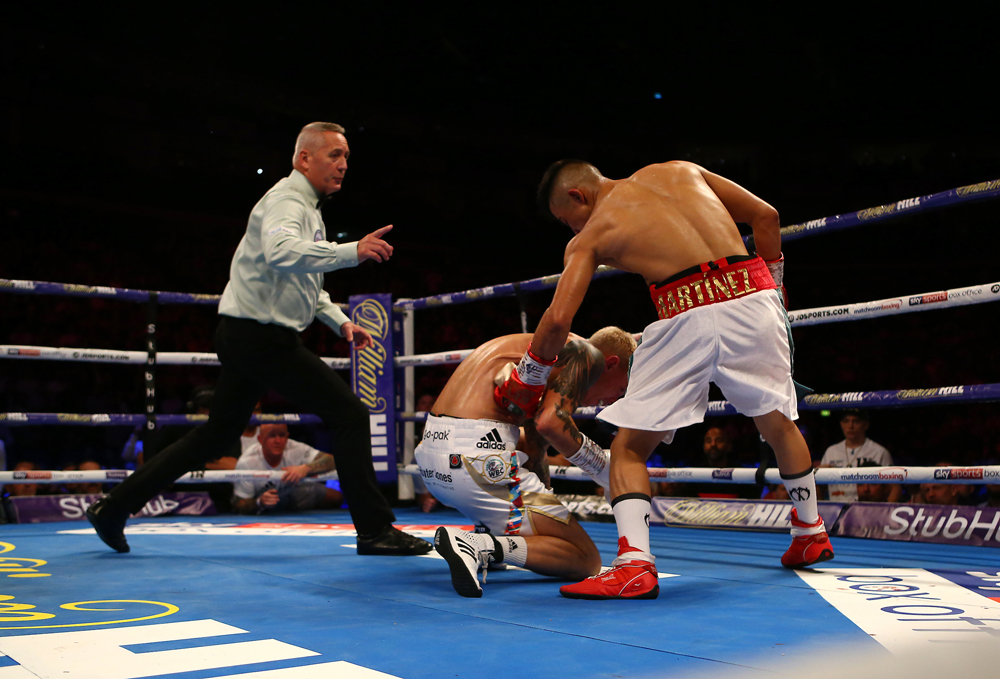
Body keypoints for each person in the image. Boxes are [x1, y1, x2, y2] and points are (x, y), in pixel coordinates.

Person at [86, 121, 430, 557]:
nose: (343, 164)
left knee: (215, 437)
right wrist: (352, 251)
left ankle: (113, 508)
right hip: (261, 338)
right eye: (334, 155)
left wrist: (338, 321)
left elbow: (304, 281)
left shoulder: (309, 209)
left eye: (346, 156)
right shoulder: (287, 200)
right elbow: (281, 253)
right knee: (349, 414)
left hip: (248, 335)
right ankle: (375, 529)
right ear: (304, 158)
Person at [501, 159, 833, 599]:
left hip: (686, 312)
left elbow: (559, 319)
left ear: (578, 196)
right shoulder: (681, 170)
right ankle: (810, 531)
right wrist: (774, 286)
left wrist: (530, 375)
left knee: (629, 448)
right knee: (777, 422)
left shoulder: (592, 234)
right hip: (756, 299)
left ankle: (634, 566)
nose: (572, 229)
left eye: (567, 220)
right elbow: (766, 216)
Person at [418, 327, 633, 597]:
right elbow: (551, 424)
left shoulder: (549, 353)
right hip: (477, 462)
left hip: (434, 459)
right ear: (610, 364)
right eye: (621, 389)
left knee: (520, 445)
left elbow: (535, 445)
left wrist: (546, 501)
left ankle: (490, 530)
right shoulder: (581, 355)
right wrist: (607, 473)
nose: (613, 400)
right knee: (585, 559)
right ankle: (480, 544)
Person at [231, 424, 342, 513]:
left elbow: (332, 460)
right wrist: (259, 502)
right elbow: (239, 504)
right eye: (272, 436)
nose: (278, 441)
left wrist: (306, 468)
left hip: (294, 494)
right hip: (264, 508)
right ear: (260, 439)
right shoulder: (247, 461)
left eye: (282, 435)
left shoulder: (295, 448)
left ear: (287, 436)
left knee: (336, 497)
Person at [820, 409, 902, 503]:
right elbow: (819, 486)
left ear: (865, 425)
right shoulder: (831, 452)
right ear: (841, 424)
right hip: (836, 508)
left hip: (868, 508)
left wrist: (883, 510)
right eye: (846, 421)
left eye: (856, 421)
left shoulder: (879, 452)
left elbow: (895, 488)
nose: (850, 426)